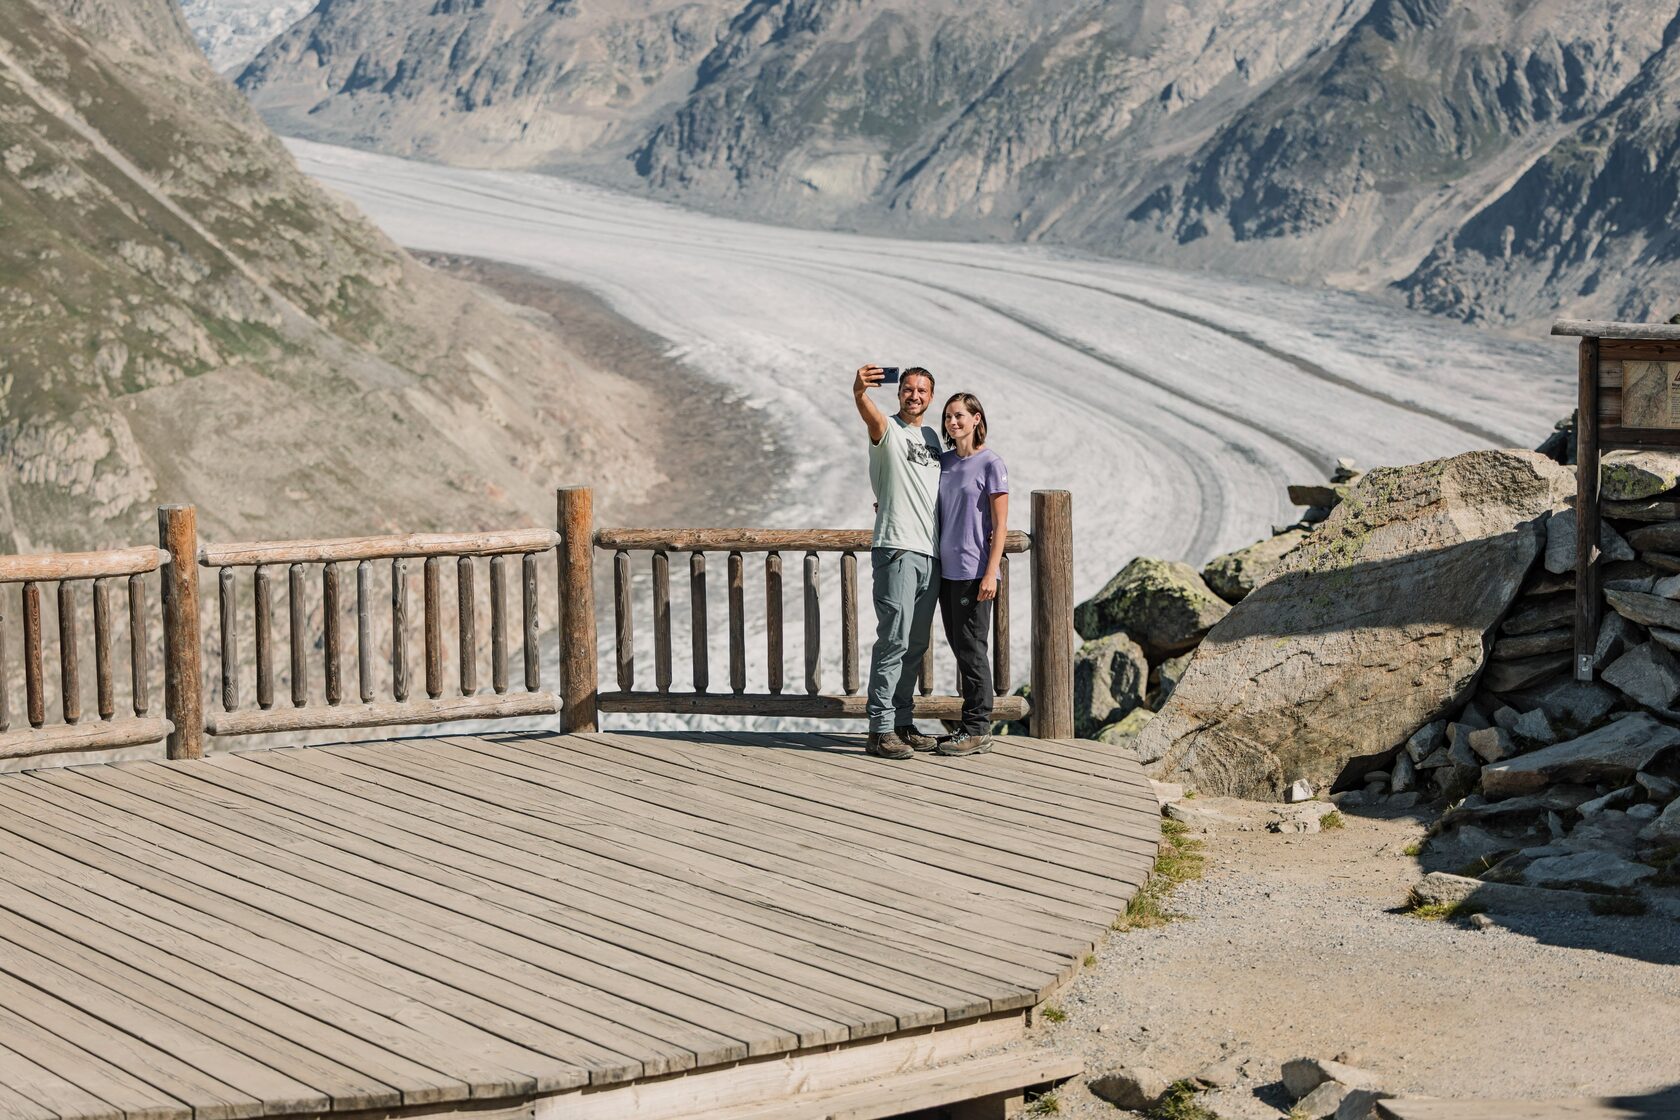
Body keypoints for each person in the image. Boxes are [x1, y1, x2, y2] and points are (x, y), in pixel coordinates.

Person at [853, 363, 942, 760]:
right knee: (894, 638)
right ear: (899, 393)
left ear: (931, 397)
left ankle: (902, 722)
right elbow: (868, 412)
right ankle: (881, 728)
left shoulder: (933, 438)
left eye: (922, 390)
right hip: (897, 547)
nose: (914, 395)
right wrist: (858, 392)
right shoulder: (886, 429)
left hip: (930, 552)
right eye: (908, 389)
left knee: (915, 643)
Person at [935, 392, 1007, 756]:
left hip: (973, 570)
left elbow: (1000, 524)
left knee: (972, 648)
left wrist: (991, 573)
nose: (953, 422)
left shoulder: (991, 463)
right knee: (960, 647)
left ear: (977, 418)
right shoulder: (944, 462)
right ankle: (970, 726)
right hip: (944, 571)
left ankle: (978, 728)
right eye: (948, 416)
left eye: (960, 415)